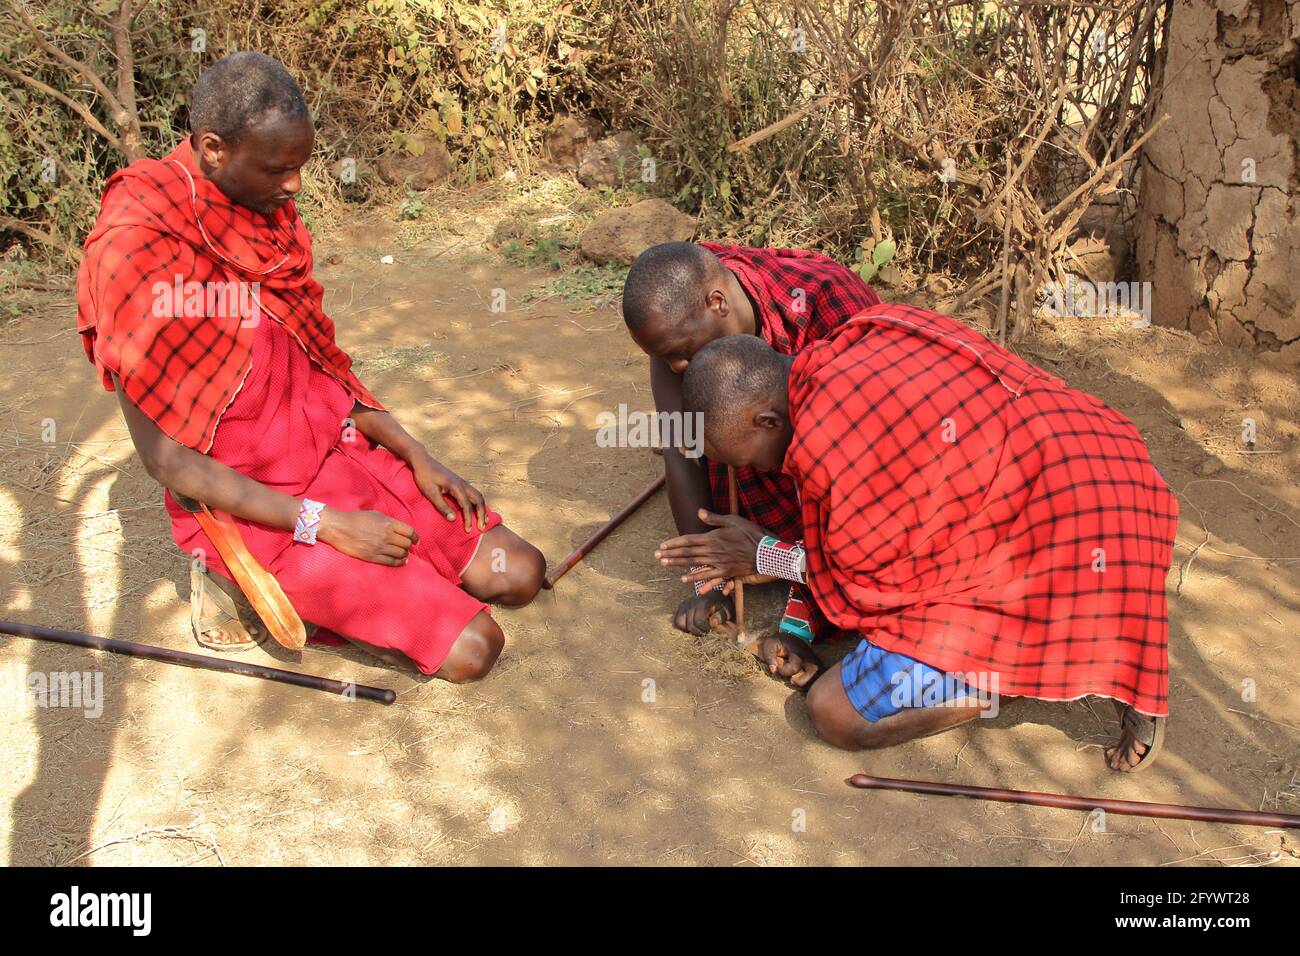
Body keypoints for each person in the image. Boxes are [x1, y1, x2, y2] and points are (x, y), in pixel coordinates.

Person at [76, 52, 544, 682]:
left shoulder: (262, 211)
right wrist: (323, 525)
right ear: (213, 149)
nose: (295, 186)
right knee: (473, 650)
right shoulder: (136, 246)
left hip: (337, 455)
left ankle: (401, 570)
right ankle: (237, 581)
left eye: (300, 165)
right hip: (260, 508)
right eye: (279, 168)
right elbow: (168, 462)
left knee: (519, 574)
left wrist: (418, 455)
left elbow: (321, 370)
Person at [657, 303, 1179, 771]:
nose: (761, 474)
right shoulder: (859, 335)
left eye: (748, 460)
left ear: (768, 418)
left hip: (1072, 534)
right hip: (1115, 465)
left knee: (834, 711)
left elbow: (871, 585)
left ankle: (1006, 678)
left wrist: (765, 554)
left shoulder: (834, 447)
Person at [622, 240, 879, 642]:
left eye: (679, 353)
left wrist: (787, 558)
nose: (676, 369)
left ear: (718, 302)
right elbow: (682, 446)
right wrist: (707, 581)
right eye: (664, 358)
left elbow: (876, 450)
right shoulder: (676, 327)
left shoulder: (825, 304)